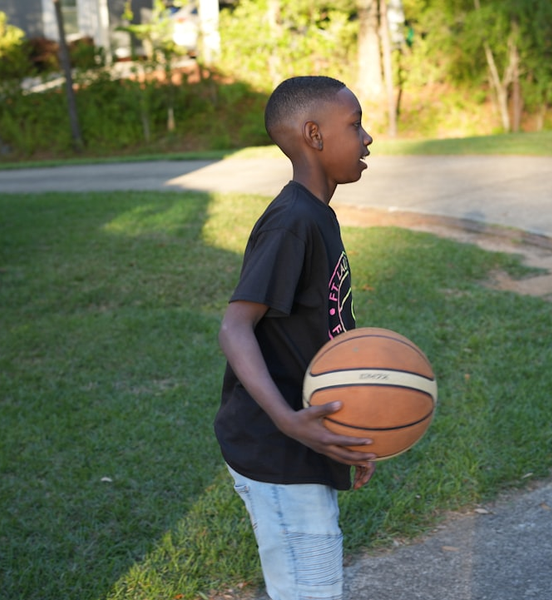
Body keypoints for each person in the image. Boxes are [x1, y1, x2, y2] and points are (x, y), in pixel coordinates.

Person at [214, 75, 376, 600]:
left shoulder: (317, 215)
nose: (368, 137)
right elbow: (235, 325)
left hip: (302, 440)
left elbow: (320, 333)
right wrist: (287, 419)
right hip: (277, 446)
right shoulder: (292, 222)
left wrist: (350, 425)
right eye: (354, 125)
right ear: (314, 134)